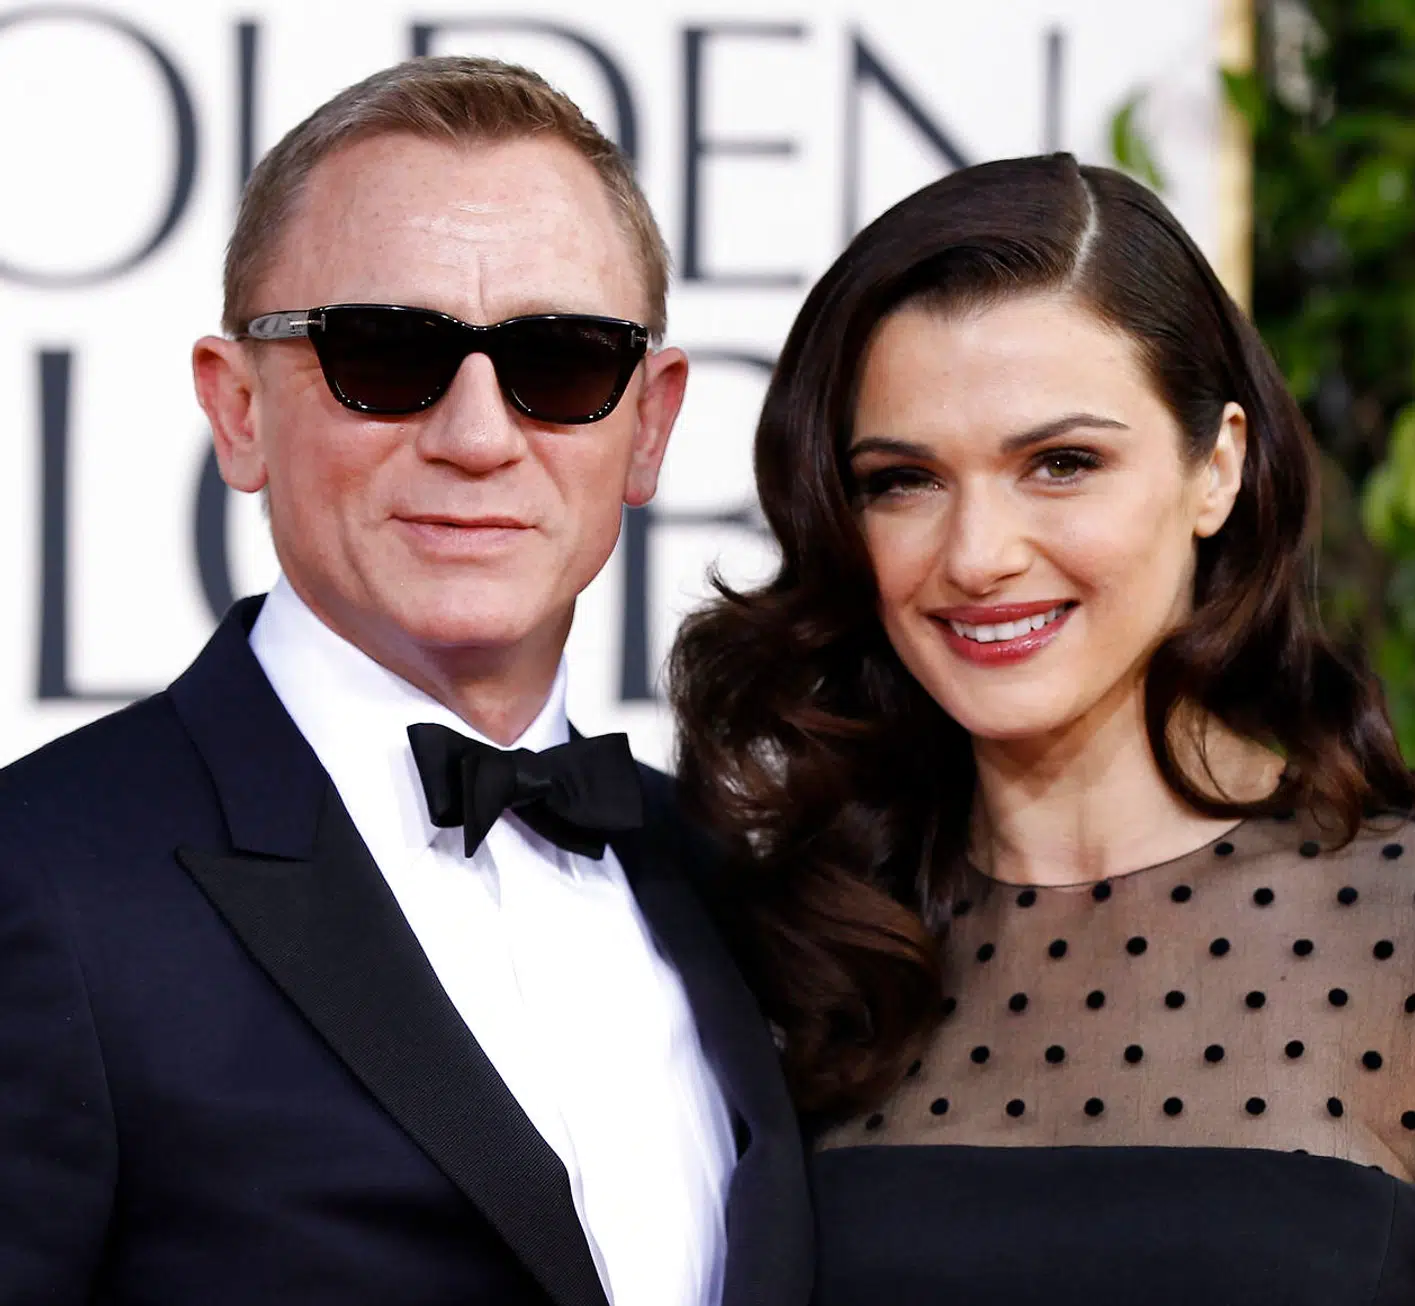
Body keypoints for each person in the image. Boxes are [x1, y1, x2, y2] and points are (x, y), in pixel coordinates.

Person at [0, 56, 809, 1306]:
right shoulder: (41, 879)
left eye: (561, 362)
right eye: (383, 354)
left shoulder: (738, 883)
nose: (478, 438)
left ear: (647, 425)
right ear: (238, 409)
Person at [669, 153, 1415, 1305]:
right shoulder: (788, 945)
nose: (978, 555)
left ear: (1217, 467)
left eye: (1062, 464)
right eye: (904, 480)